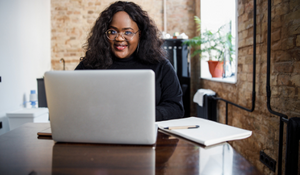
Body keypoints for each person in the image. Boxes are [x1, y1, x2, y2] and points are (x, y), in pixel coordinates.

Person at [75, 1, 184, 121]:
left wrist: (140, 116)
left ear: (140, 35)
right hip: (98, 133)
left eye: (128, 32)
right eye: (113, 32)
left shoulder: (160, 65)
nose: (119, 38)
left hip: (146, 134)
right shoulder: (89, 65)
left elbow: (176, 108)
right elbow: (71, 103)